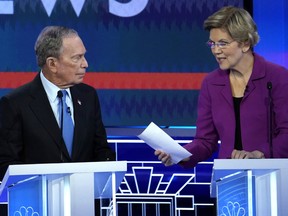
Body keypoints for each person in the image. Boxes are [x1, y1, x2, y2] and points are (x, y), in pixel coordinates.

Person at [155, 6, 288, 168]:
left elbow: (286, 132)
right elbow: (205, 141)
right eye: (212, 43)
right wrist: (180, 155)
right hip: (228, 180)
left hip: (272, 175)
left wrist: (259, 154)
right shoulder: (211, 83)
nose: (216, 50)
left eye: (223, 43)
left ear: (245, 43)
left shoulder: (277, 77)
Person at [0, 26, 115, 180]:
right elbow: (6, 164)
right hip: (38, 200)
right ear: (52, 64)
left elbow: (101, 149)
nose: (85, 64)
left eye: (84, 56)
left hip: (83, 199)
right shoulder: (15, 104)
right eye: (77, 58)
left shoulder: (88, 96)